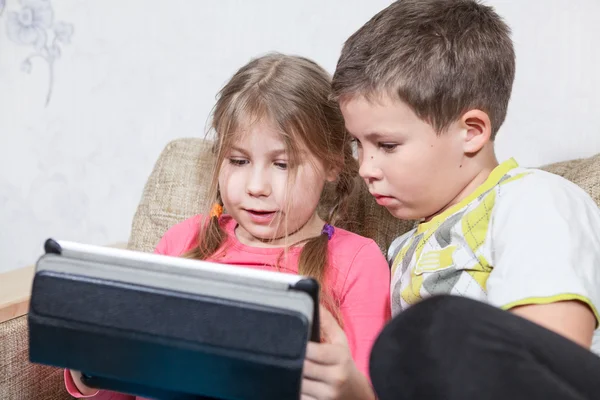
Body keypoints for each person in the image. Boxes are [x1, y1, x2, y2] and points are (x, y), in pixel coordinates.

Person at [303, 0, 600, 399]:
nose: (365, 167)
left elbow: (548, 362)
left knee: (430, 327)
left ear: (472, 131)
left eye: (387, 145)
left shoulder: (534, 201)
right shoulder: (401, 250)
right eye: (358, 144)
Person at [64, 53, 390, 399]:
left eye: (282, 164)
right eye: (238, 160)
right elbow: (130, 381)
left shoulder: (356, 261)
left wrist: (346, 386)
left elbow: (367, 389)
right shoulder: (183, 241)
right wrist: (93, 365)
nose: (256, 186)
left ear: (332, 165)